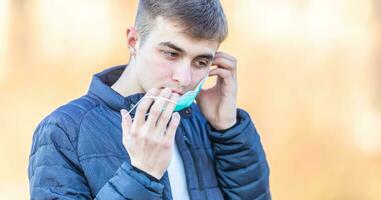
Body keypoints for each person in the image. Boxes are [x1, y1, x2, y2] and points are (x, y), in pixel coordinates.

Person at [28, 0, 271, 199]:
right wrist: (141, 175)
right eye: (171, 53)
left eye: (201, 62)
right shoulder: (64, 130)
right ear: (134, 41)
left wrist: (228, 131)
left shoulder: (203, 123)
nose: (184, 77)